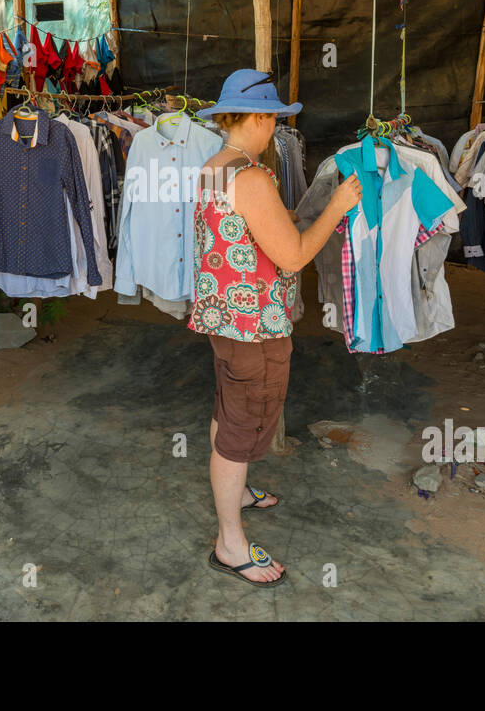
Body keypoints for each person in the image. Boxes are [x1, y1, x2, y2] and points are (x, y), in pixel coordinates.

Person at [188, 68, 362, 586]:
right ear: (261, 118)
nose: (276, 128)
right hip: (254, 330)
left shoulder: (215, 167)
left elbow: (244, 231)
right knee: (242, 428)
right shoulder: (252, 178)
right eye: (275, 118)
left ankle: (235, 494)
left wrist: (296, 212)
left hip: (225, 321)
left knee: (229, 409)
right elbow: (291, 258)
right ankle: (229, 542)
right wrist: (336, 207)